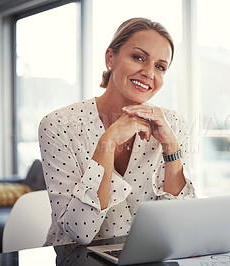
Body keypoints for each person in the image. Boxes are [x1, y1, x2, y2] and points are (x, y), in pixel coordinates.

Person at [38, 17, 196, 246]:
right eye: (138, 57)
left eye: (160, 67)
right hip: (74, 259)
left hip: (144, 258)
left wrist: (171, 146)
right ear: (110, 58)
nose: (149, 73)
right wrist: (108, 142)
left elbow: (182, 223)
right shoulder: (58, 125)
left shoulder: (172, 124)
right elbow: (80, 231)